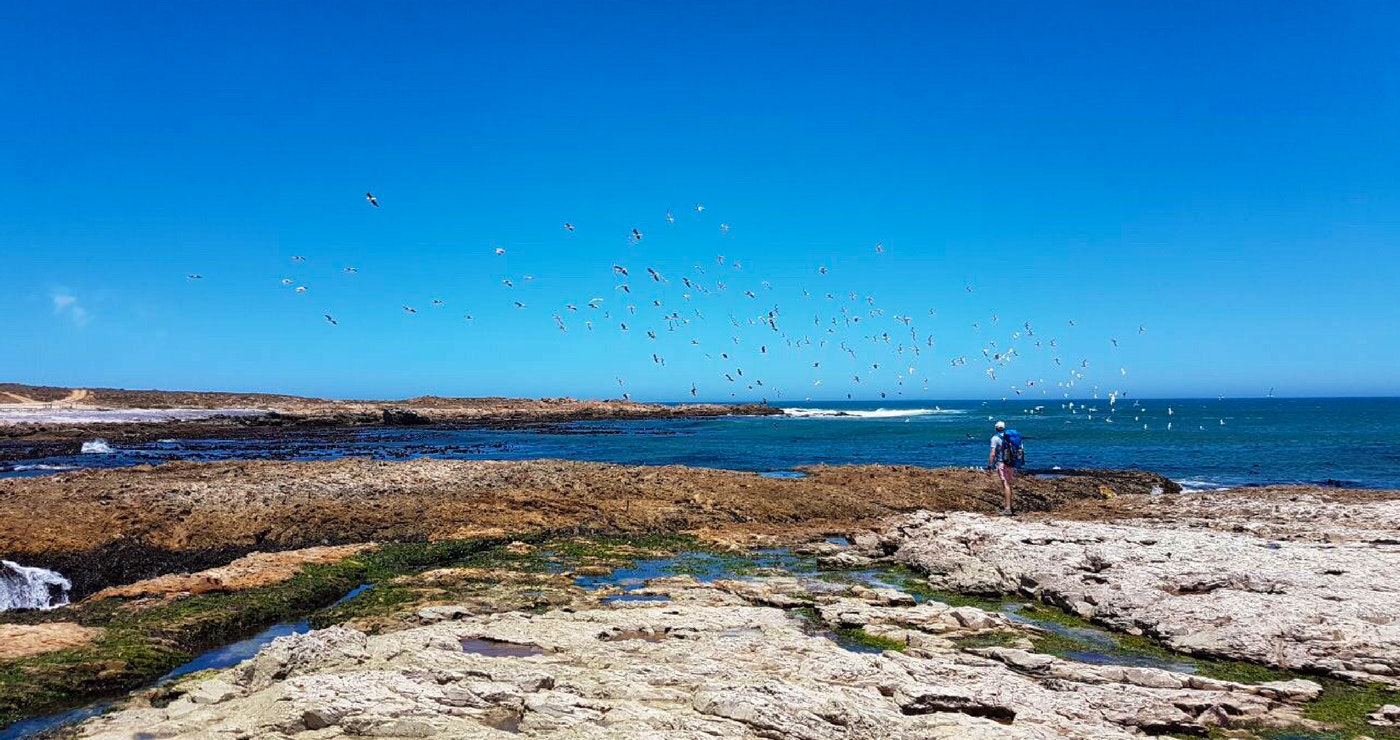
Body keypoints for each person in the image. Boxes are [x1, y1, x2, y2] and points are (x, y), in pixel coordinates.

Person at [987, 420, 1015, 515]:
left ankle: (1007, 509)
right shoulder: (1010, 437)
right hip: (1011, 463)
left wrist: (989, 465)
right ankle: (1010, 505)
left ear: (996, 428)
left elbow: (992, 454)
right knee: (1009, 484)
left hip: (1001, 463)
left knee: (1005, 484)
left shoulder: (995, 438)